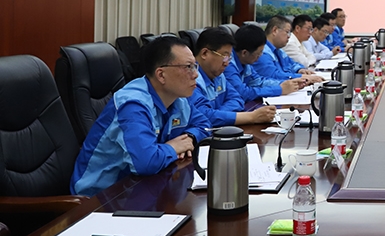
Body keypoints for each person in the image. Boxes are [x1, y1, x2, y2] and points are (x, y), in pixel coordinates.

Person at [70, 37, 212, 196]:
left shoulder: (177, 99)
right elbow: (146, 162)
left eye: (195, 66)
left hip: (141, 187)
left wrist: (190, 137)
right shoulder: (133, 104)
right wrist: (173, 147)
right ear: (161, 75)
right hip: (100, 198)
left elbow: (204, 125)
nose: (196, 75)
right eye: (188, 67)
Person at [190, 27, 277, 127]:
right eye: (224, 57)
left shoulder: (218, 75)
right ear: (205, 53)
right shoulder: (191, 79)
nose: (227, 63)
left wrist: (218, 114)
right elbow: (204, 116)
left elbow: (237, 99)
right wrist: (251, 117)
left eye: (229, 58)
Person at [225, 24, 304, 104]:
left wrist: (286, 84)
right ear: (244, 53)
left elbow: (258, 82)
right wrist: (279, 89)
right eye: (258, 53)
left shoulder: (246, 62)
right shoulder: (228, 64)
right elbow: (243, 93)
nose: (261, 56)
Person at [255, 15, 322, 82]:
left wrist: (299, 70)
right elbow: (273, 76)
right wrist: (301, 77)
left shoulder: (279, 50)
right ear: (275, 30)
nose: (289, 36)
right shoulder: (263, 52)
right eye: (287, 32)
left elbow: (292, 63)